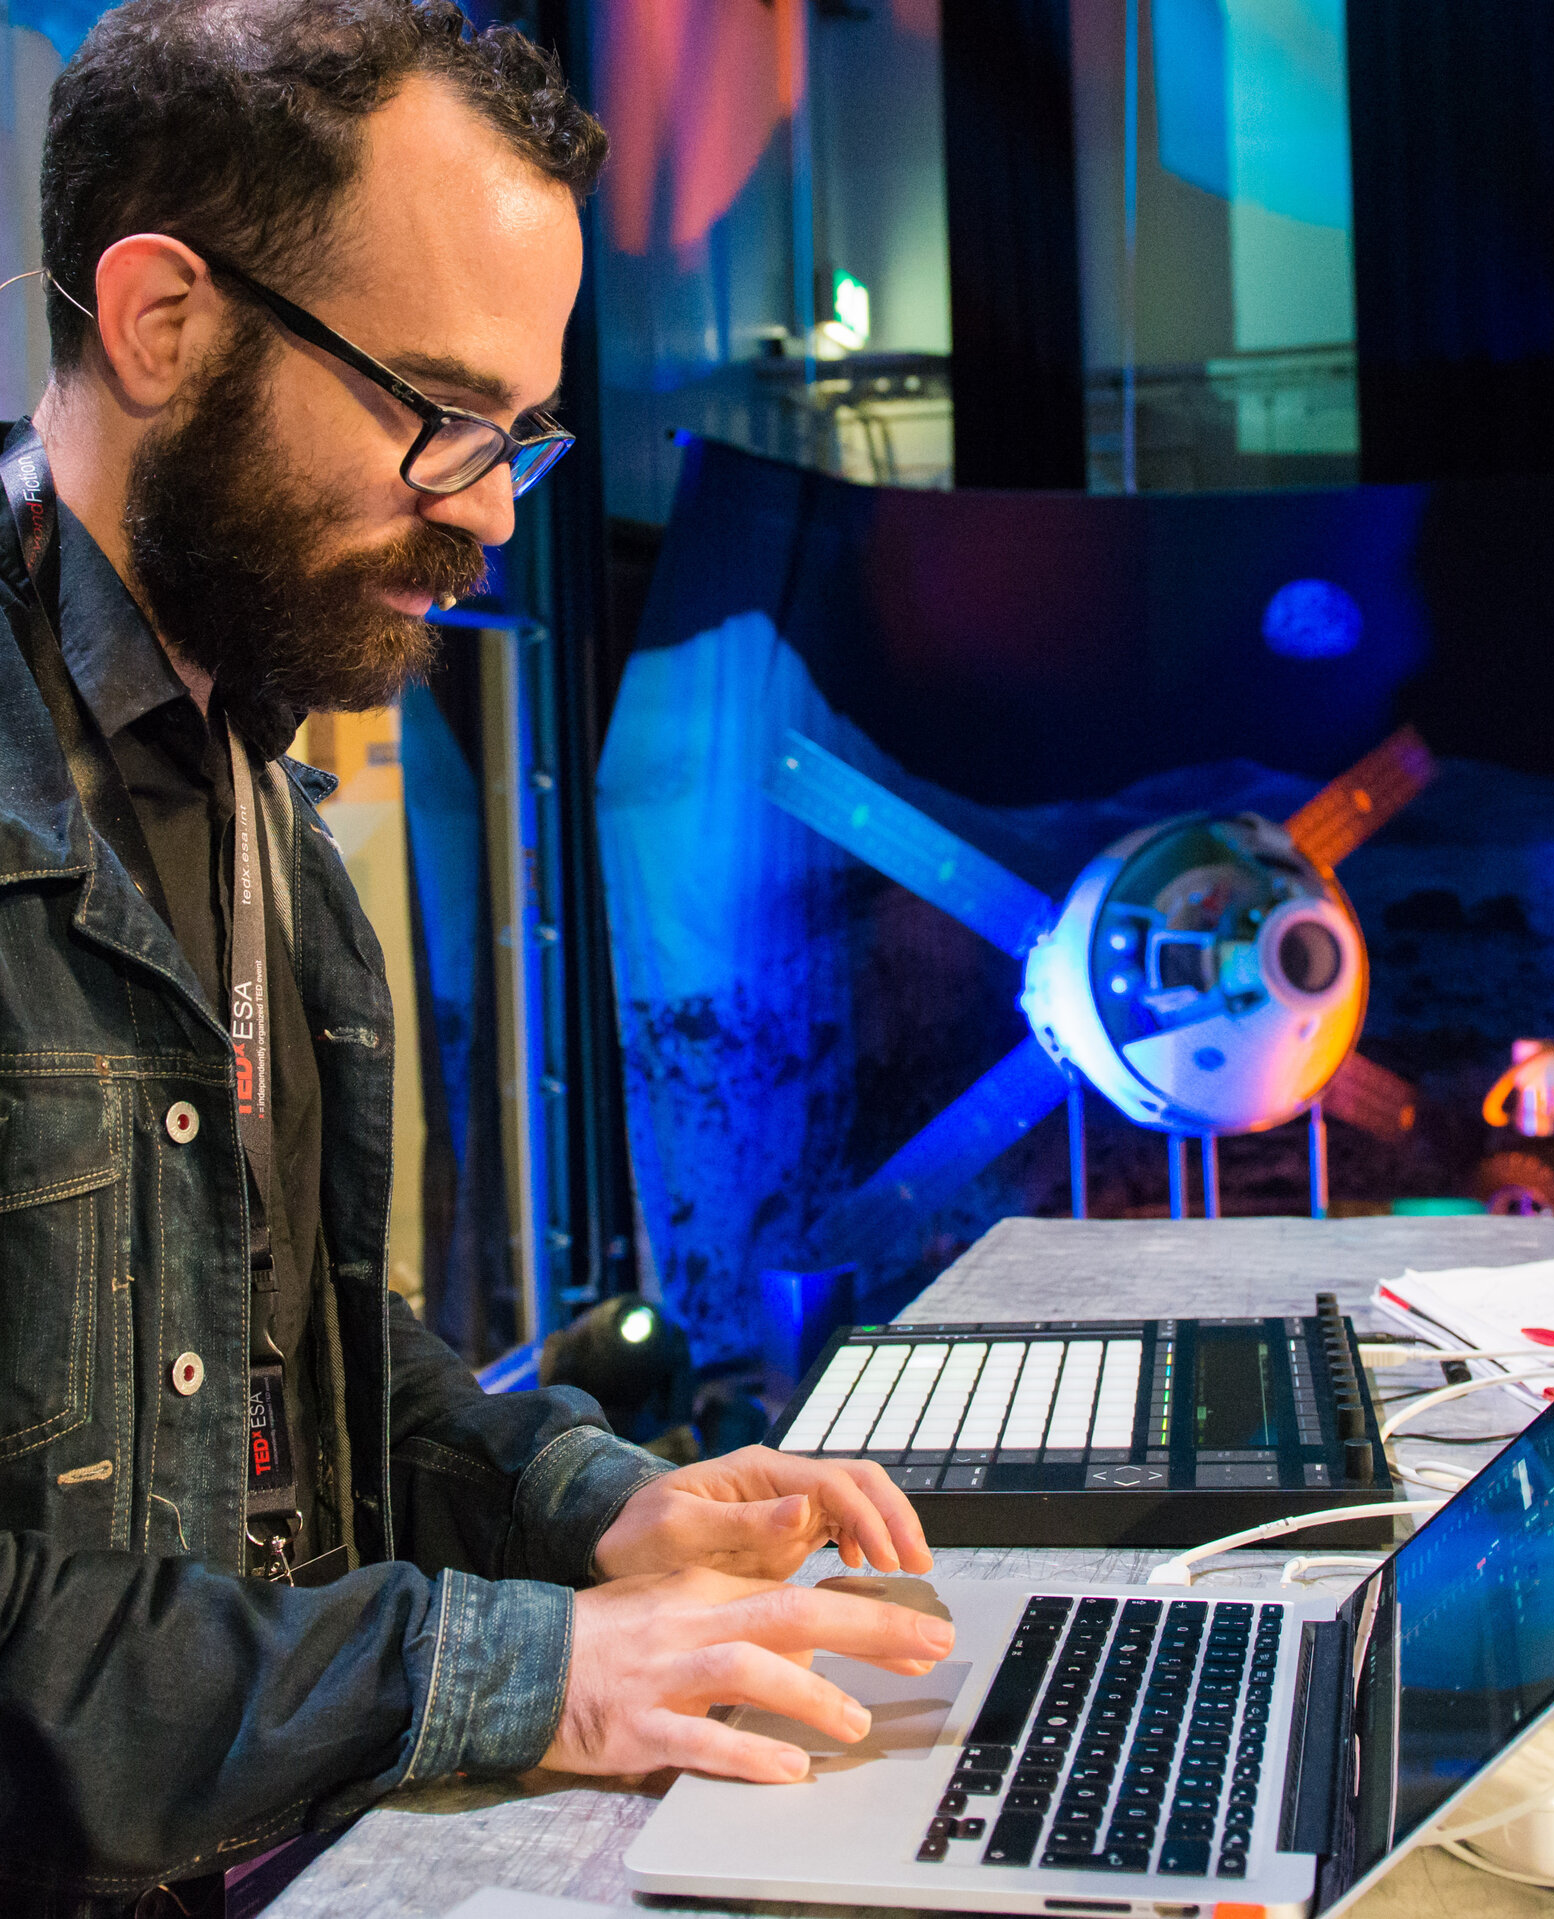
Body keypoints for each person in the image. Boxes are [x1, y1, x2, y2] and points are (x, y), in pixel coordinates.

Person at [0, 2, 947, 1911]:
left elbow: (299, 1366)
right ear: (162, 321)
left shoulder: (249, 786)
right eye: (435, 412)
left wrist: (595, 1512)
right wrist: (534, 1670)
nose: (494, 512)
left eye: (519, 434)